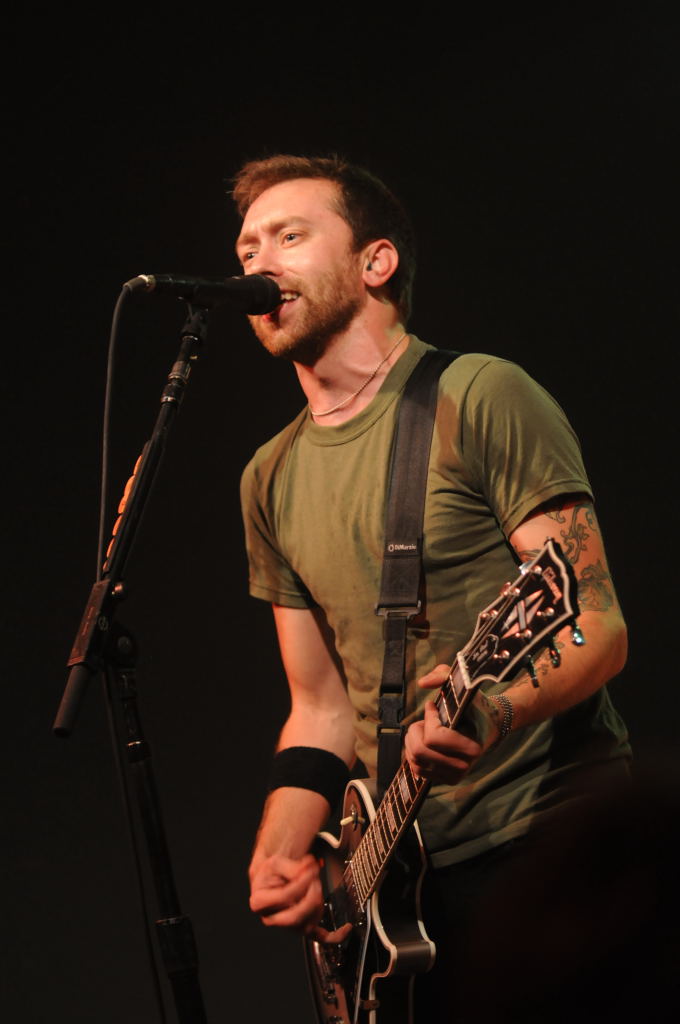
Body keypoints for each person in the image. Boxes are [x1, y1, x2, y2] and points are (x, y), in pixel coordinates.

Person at [234, 154, 629, 1019]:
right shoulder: (268, 476)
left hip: (550, 840)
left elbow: (596, 623)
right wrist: (286, 849)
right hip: (402, 881)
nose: (258, 261)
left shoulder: (480, 394)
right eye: (248, 247)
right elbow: (320, 708)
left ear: (375, 262)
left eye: (289, 236)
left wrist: (492, 711)